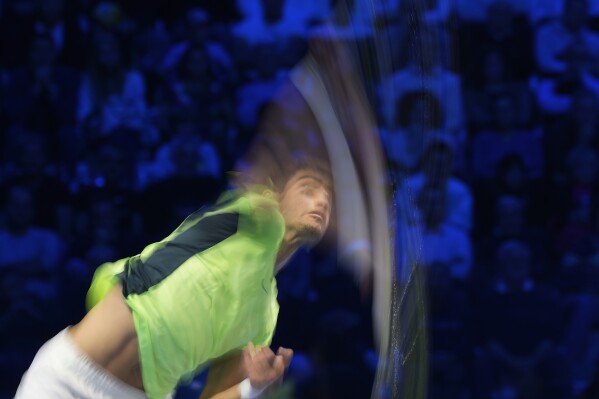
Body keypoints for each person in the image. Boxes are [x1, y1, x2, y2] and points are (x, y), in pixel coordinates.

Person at [14, 159, 333, 399]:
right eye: (308, 190)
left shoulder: (265, 315)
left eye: (327, 201)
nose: (320, 202)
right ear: (277, 196)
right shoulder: (247, 219)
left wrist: (254, 386)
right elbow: (264, 164)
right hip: (64, 380)